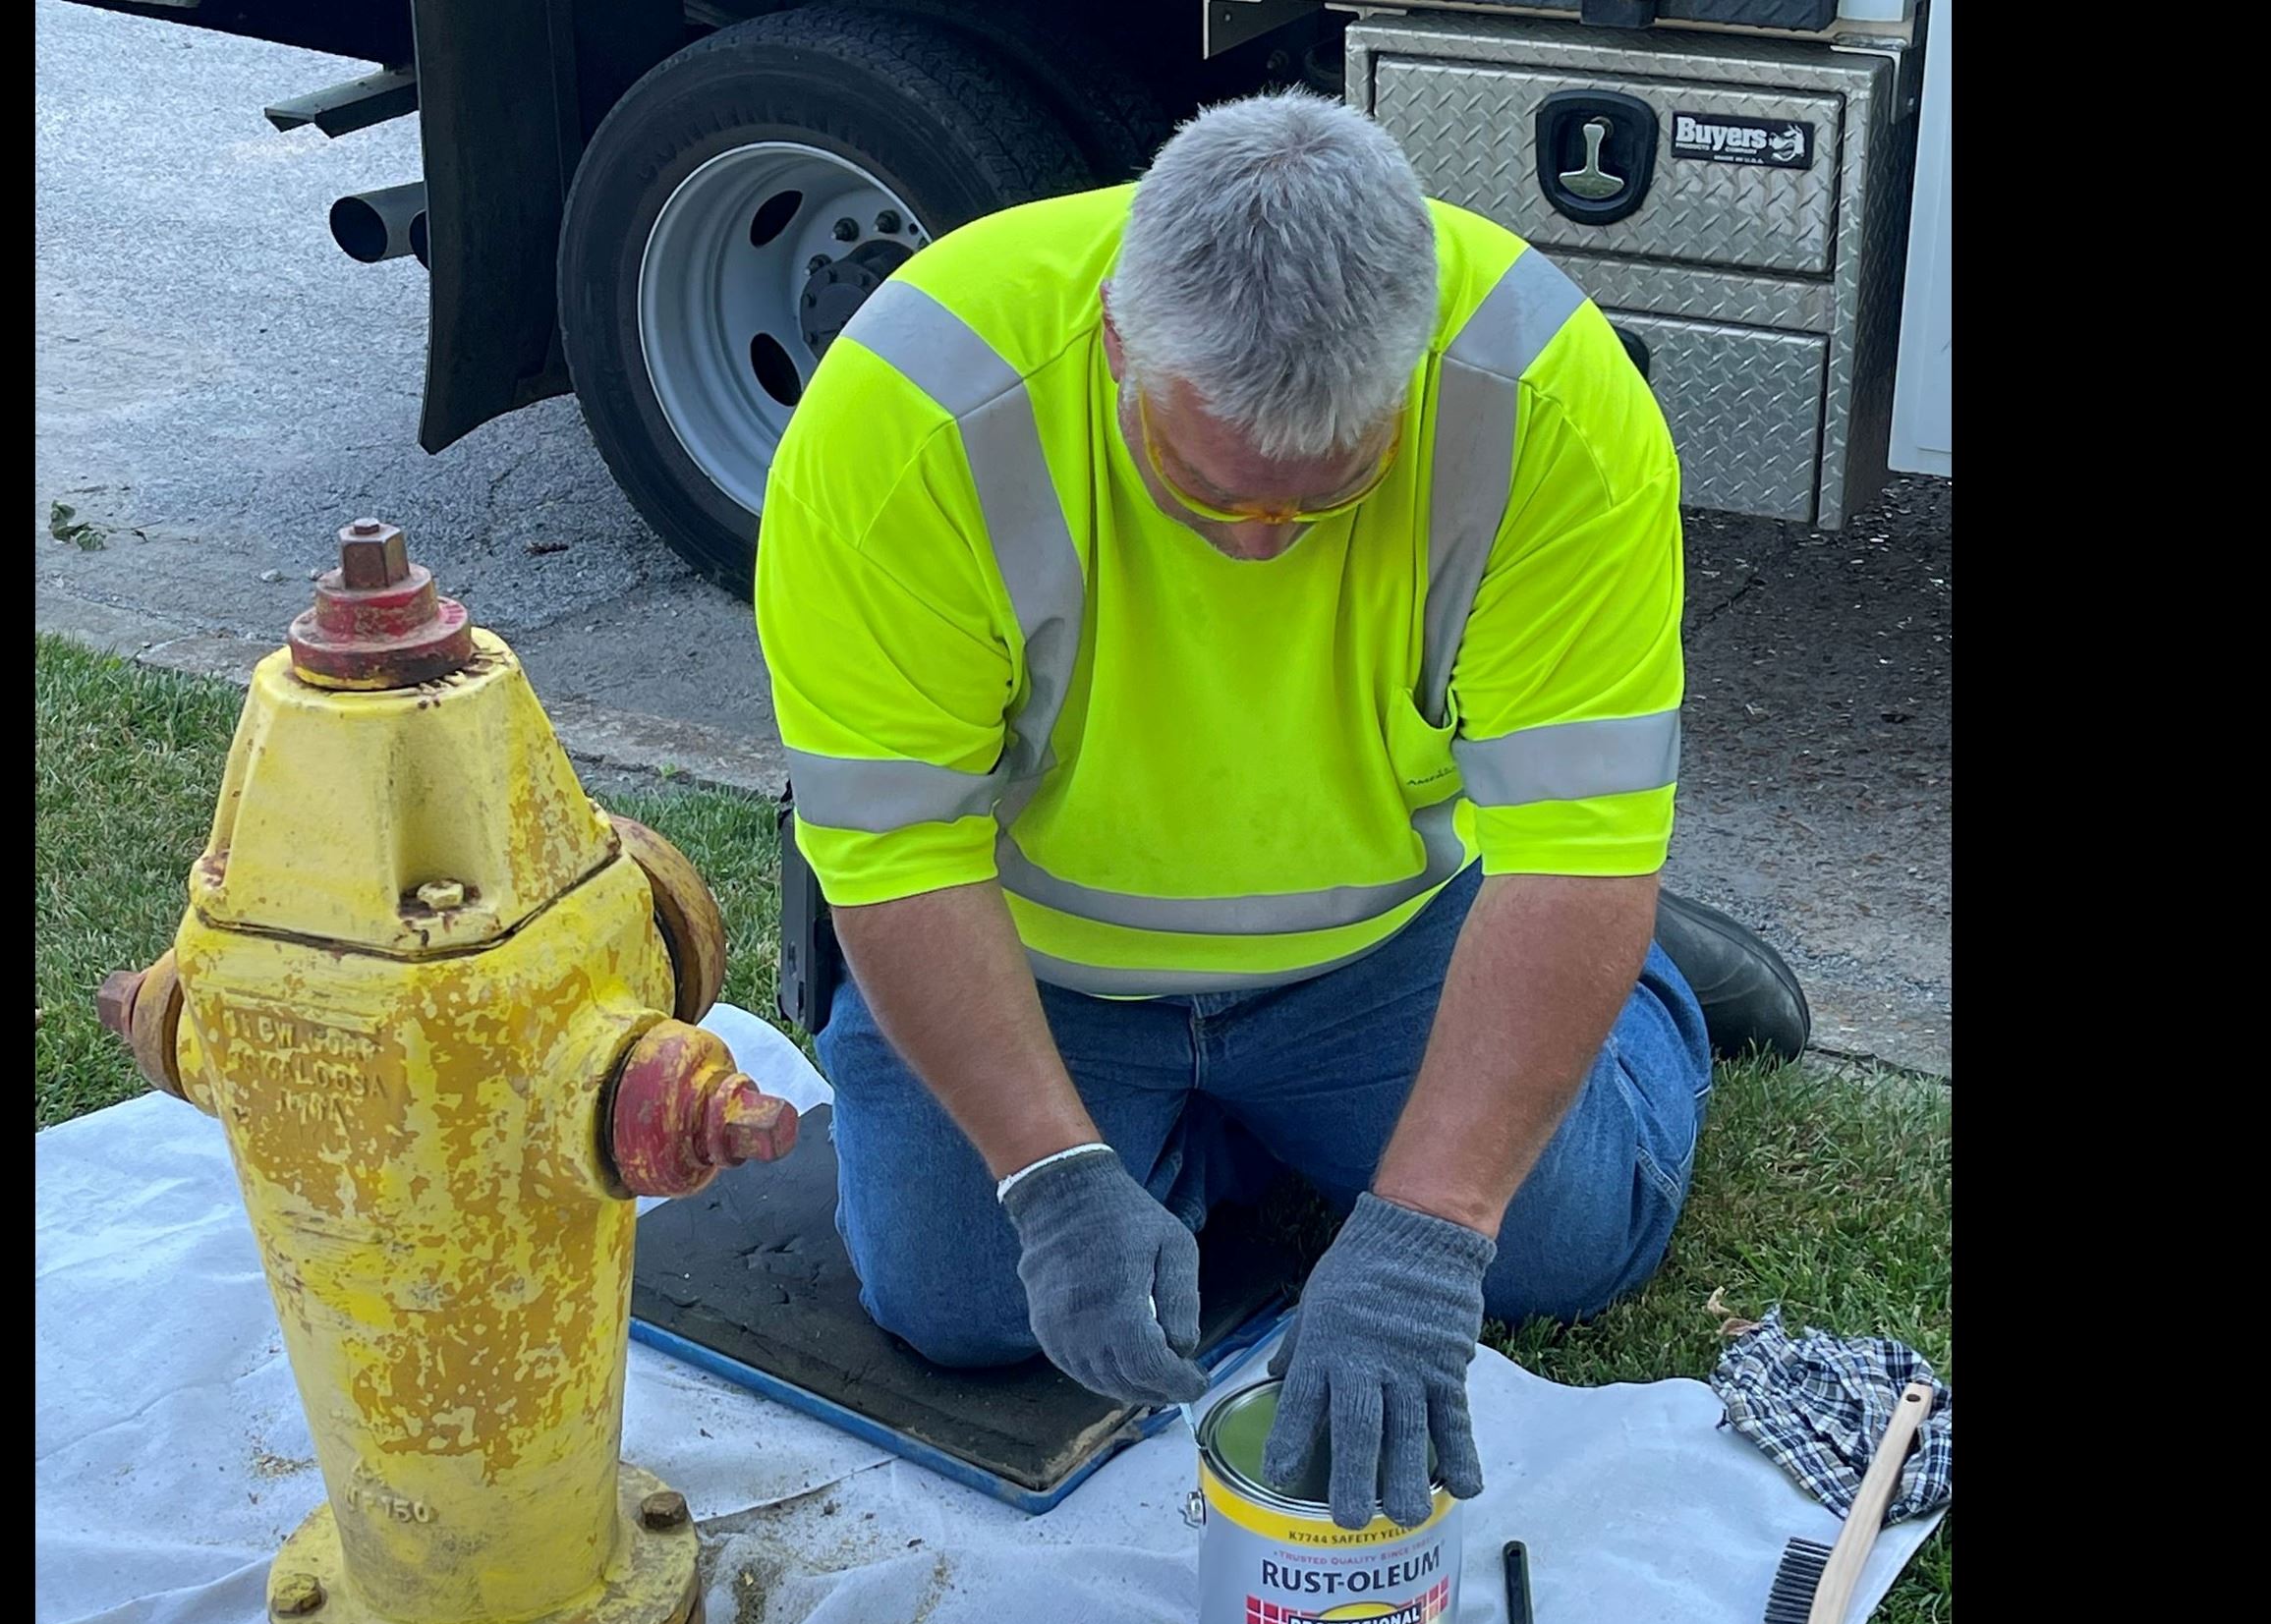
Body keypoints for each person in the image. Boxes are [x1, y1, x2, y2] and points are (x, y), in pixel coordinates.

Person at [752, 90, 1809, 1531]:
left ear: (1408, 373)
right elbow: (898, 852)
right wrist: (1056, 1176)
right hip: (1039, 944)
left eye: (1331, 495)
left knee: (1563, 1247)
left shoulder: (1544, 402)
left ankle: (1649, 994)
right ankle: (1199, 1120)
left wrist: (1434, 1231)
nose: (1258, 546)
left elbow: (1574, 859)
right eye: (1206, 488)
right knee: (964, 1304)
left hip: (1373, 932)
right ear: (1121, 344)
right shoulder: (910, 412)